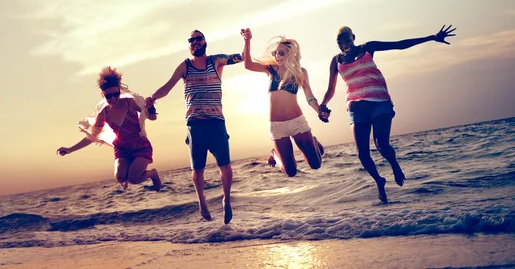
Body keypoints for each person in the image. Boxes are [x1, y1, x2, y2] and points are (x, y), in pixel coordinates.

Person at [319, 25, 456, 203]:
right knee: (362, 154)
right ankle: (379, 180)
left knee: (381, 144)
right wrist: (323, 105)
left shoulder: (368, 48)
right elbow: (331, 89)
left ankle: (395, 166)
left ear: (353, 37)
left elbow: (399, 44)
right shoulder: (336, 61)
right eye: (340, 42)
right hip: (356, 106)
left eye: (347, 39)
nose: (344, 44)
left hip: (379, 101)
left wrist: (431, 37)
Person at [145, 30, 243, 224]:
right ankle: (201, 200)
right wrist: (153, 97)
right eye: (191, 40)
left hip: (216, 122)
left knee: (225, 166)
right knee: (197, 169)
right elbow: (168, 85)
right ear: (189, 45)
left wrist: (247, 41)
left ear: (205, 41)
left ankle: (226, 200)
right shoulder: (185, 66)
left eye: (198, 38)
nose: (195, 42)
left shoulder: (216, 61)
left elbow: (241, 58)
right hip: (195, 124)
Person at [57, 66, 162, 192]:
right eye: (108, 96)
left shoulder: (130, 102)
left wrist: (150, 107)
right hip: (122, 148)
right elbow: (92, 136)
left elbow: (152, 117)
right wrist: (70, 149)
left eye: (116, 94)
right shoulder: (103, 114)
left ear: (119, 90)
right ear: (102, 95)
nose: (113, 98)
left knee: (133, 178)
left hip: (140, 145)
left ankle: (152, 174)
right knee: (120, 177)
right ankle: (125, 176)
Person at [241, 28, 323, 177]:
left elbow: (309, 96)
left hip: (298, 122)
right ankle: (275, 154)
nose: (277, 56)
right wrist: (247, 41)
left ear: (290, 54)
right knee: (290, 172)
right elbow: (248, 64)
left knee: (316, 164)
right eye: (275, 53)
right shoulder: (270, 70)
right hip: (277, 127)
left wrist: (319, 111)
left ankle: (314, 141)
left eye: (281, 53)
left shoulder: (300, 72)